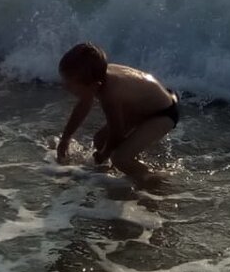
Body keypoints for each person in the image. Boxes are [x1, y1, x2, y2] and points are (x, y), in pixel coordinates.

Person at [55, 42, 179, 186]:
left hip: (162, 113)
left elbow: (117, 133)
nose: (65, 86)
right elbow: (83, 105)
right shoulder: (96, 77)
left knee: (120, 159)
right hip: (141, 108)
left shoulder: (110, 94)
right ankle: (118, 174)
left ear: (95, 85)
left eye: (70, 84)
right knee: (100, 141)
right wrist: (66, 138)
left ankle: (153, 181)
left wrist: (104, 154)